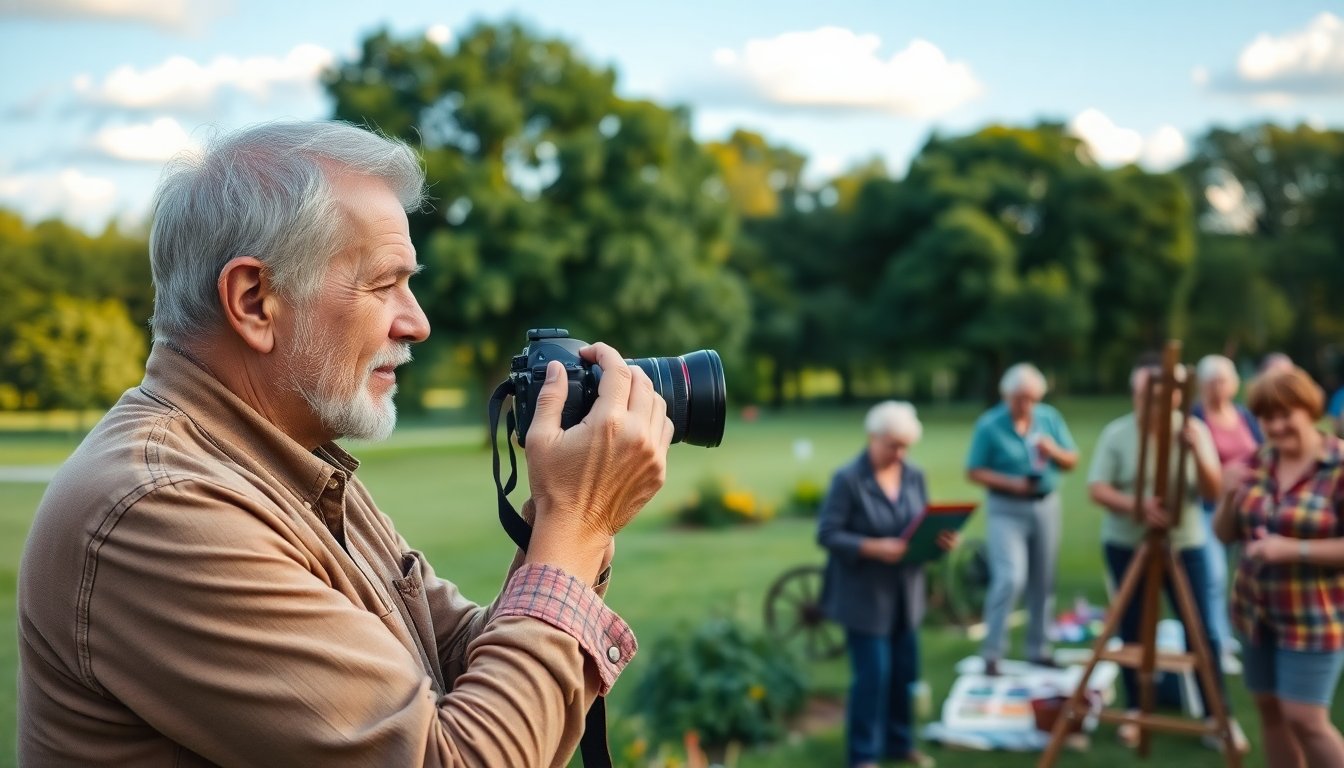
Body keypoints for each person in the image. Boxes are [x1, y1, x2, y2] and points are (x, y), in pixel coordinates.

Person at [18, 121, 675, 766]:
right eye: (385, 283)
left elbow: (461, 666)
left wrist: (570, 512)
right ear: (254, 301)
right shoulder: (160, 509)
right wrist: (576, 523)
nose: (416, 323)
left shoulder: (286, 463)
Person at [1088, 359, 1245, 751]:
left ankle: (1218, 715)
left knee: (1201, 630)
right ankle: (1137, 712)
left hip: (1185, 542)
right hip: (1128, 542)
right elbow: (1097, 488)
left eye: (1156, 395)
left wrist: (1198, 453)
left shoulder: (1193, 431)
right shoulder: (1118, 433)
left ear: (1175, 396)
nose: (1149, 403)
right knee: (1132, 629)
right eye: (1142, 395)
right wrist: (1134, 504)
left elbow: (1211, 493)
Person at [1214, 366, 1344, 767]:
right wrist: (1226, 496)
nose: (1276, 425)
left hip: (1315, 615)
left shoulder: (1338, 466)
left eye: (1285, 414)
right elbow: (1224, 534)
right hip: (1255, 612)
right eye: (1267, 417)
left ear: (1309, 409)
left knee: (1305, 718)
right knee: (1270, 712)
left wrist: (1291, 549)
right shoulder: (1256, 461)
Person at [818, 401, 956, 768]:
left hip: (906, 596)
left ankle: (899, 743)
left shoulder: (915, 475)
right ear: (873, 437)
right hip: (863, 598)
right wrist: (874, 547)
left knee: (904, 674)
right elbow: (828, 534)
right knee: (873, 676)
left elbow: (918, 528)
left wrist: (938, 542)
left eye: (905, 446)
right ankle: (863, 755)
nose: (899, 453)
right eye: (892, 444)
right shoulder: (847, 479)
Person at [966, 363, 1078, 676]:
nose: (1025, 405)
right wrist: (1012, 483)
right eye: (1019, 399)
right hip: (1006, 508)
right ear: (1006, 395)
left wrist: (1052, 450)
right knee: (1010, 577)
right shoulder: (990, 425)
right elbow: (973, 469)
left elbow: (1072, 459)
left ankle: (1039, 648)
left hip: (1045, 505)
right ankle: (992, 652)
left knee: (1043, 579)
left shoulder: (1049, 419)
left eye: (1031, 399)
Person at [1191, 354, 1263, 669]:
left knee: (1242, 576)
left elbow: (1262, 453)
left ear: (1233, 384)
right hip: (1209, 509)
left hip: (1248, 508)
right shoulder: (1196, 418)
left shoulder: (1244, 416)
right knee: (1214, 576)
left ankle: (1238, 634)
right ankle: (1217, 642)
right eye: (1212, 382)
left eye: (1223, 381)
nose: (1218, 388)